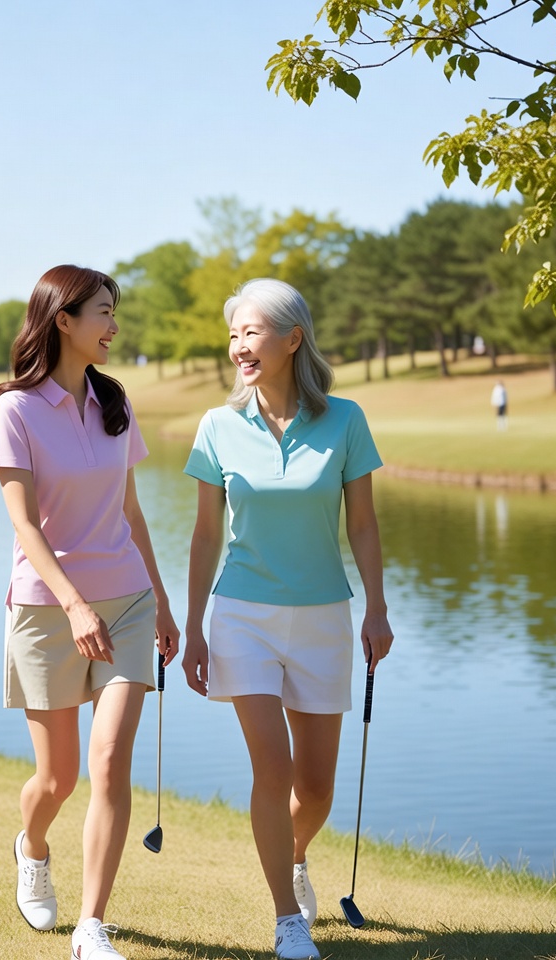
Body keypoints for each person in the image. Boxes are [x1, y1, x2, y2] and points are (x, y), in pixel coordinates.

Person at [182, 279, 394, 960]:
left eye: (252, 332)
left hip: (326, 617)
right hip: (241, 614)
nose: (239, 345)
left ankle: (294, 853)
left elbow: (362, 525)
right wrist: (192, 626)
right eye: (234, 334)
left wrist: (379, 608)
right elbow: (205, 537)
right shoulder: (217, 426)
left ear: (292, 338)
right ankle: (286, 919)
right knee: (271, 770)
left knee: (315, 788)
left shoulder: (345, 420)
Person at [0, 264, 179, 960]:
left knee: (109, 759)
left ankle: (92, 927)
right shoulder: (16, 411)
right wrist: (72, 605)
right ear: (63, 320)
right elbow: (25, 527)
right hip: (46, 610)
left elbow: (130, 512)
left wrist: (160, 602)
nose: (114, 325)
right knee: (59, 777)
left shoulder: (114, 401)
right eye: (103, 311)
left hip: (125, 604)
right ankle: (31, 847)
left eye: (113, 311)